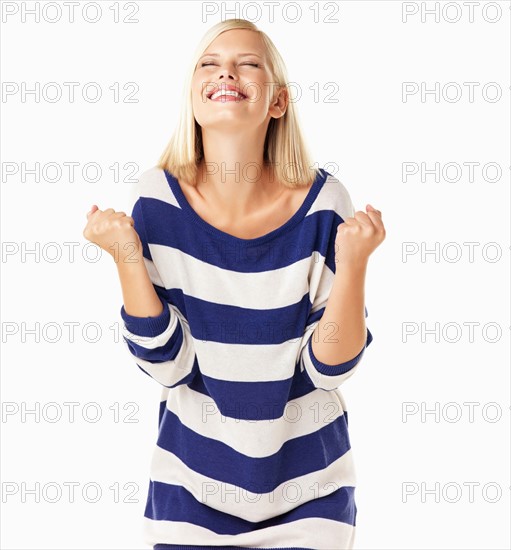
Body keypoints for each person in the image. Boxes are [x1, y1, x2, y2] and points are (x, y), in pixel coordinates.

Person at [83, 18, 385, 550]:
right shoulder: (158, 200)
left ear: (278, 102)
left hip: (310, 496)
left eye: (248, 64)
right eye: (209, 62)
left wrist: (355, 263)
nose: (226, 70)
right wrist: (127, 256)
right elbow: (167, 365)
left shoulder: (324, 204)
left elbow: (330, 368)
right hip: (189, 493)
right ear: (194, 97)